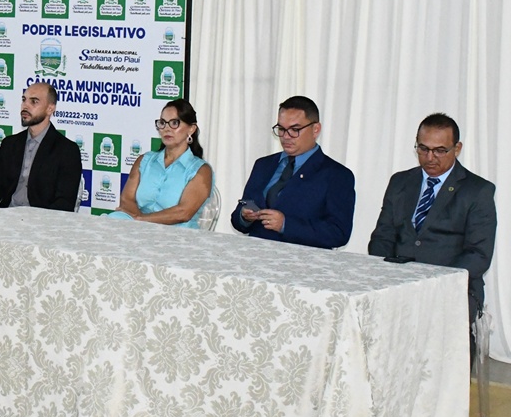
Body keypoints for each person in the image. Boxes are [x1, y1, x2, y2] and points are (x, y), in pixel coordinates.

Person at [368, 113, 496, 354]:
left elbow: (478, 255)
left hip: (452, 286)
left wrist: (433, 283)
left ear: (457, 148)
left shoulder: (478, 191)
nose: (429, 158)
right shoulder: (400, 182)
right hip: (397, 282)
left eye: (440, 151)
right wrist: (385, 276)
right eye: (423, 149)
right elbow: (382, 237)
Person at [230, 95, 355, 248]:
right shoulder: (263, 165)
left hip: (303, 260)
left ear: (315, 129)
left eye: (295, 130)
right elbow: (238, 219)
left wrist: (285, 225)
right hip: (255, 254)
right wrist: (244, 216)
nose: (286, 137)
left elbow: (338, 233)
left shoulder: (337, 175)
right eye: (281, 129)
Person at [0, 82, 82, 211]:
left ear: (50, 109)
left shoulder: (67, 150)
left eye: (34, 102)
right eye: (24, 100)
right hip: (7, 215)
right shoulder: (10, 144)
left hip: (42, 219)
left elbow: (64, 203)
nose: (25, 106)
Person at [108, 99, 213, 226]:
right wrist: (140, 222)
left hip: (176, 232)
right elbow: (126, 199)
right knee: (112, 219)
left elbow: (184, 212)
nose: (166, 129)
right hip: (138, 227)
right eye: (162, 123)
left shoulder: (201, 170)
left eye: (174, 123)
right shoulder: (144, 161)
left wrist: (142, 220)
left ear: (191, 129)